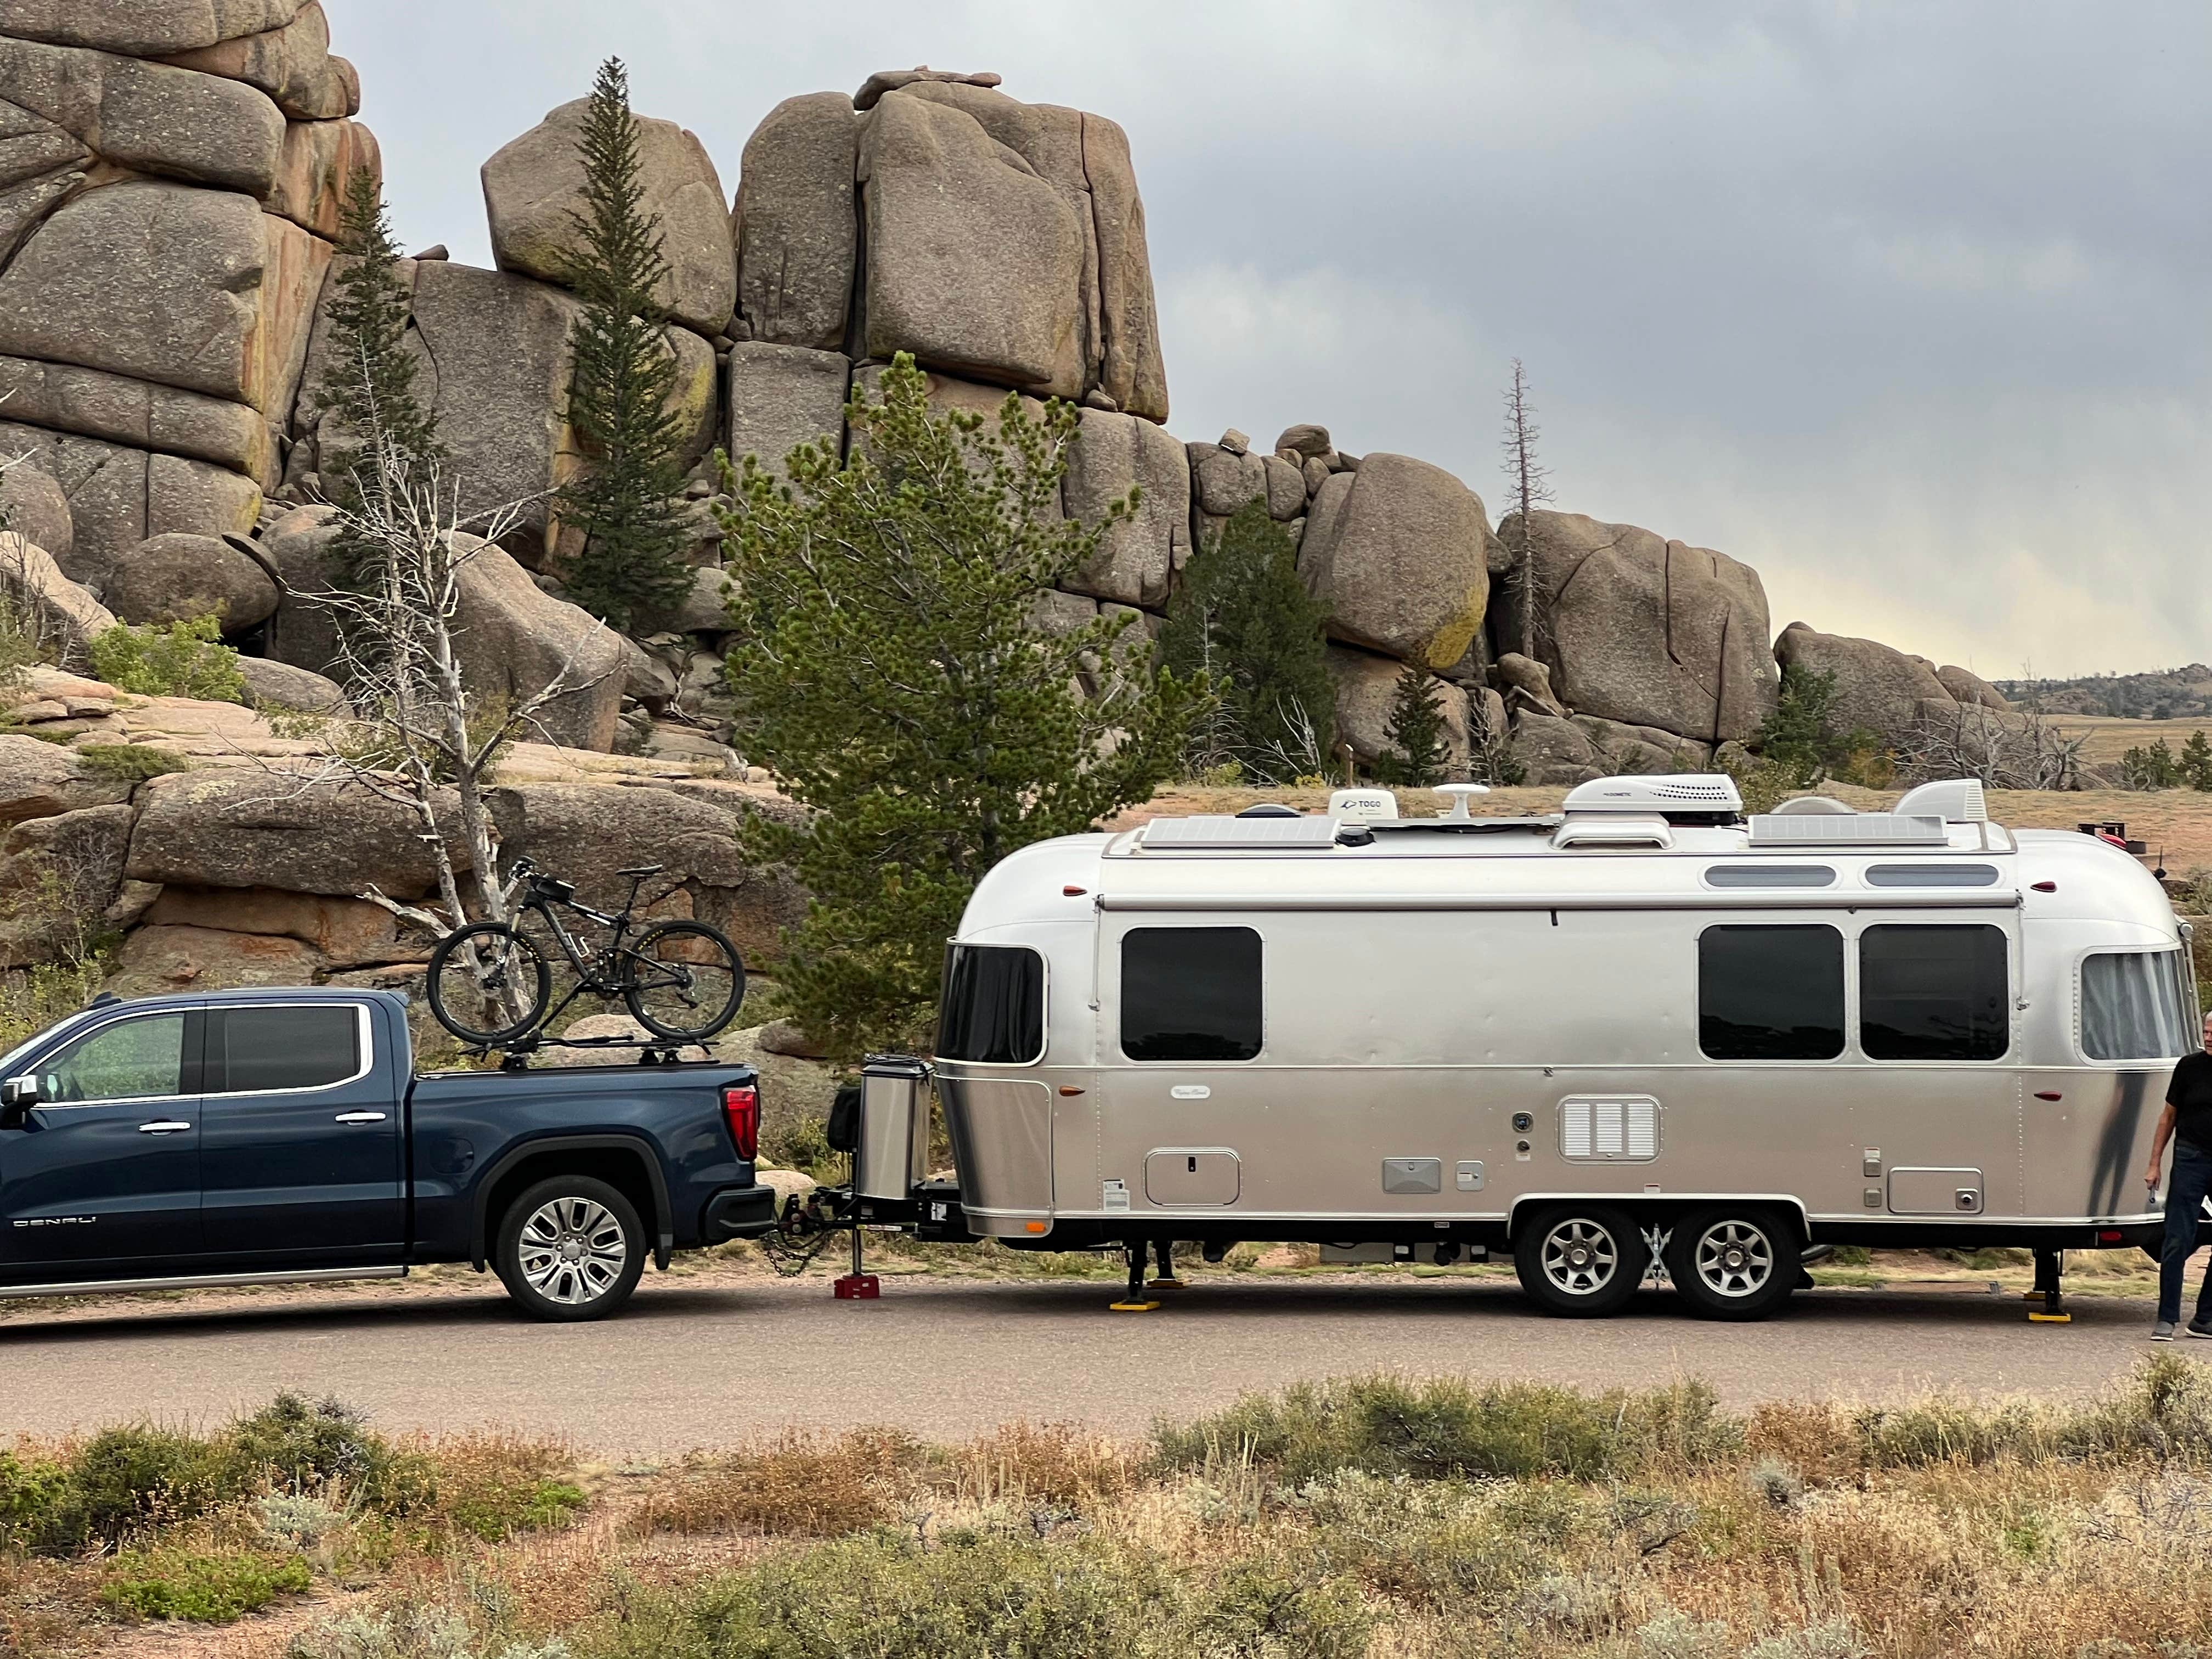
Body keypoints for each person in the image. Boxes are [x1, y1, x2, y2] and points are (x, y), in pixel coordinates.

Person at [2145, 1009, 2212, 1340]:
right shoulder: (2189, 1067)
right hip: (2190, 1158)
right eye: (2207, 1031)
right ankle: (2167, 1319)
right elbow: (2167, 1116)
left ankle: (2204, 1318)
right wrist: (2154, 1163)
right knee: (2177, 1238)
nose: (2209, 1037)